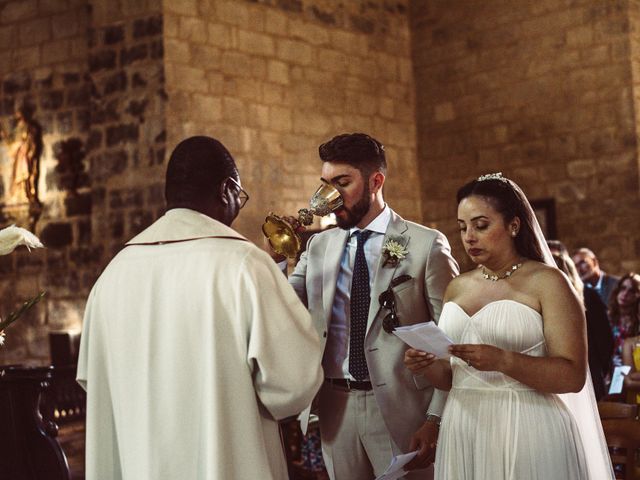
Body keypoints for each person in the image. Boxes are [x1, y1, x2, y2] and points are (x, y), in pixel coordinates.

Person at [76, 136, 324, 480]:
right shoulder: (244, 264)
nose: (238, 207)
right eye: (240, 196)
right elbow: (292, 385)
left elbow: (94, 378)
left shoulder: (114, 273)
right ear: (227, 188)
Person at [404, 173, 613, 479]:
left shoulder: (548, 283)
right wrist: (426, 365)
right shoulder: (457, 287)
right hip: (464, 425)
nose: (469, 237)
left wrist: (503, 360)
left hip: (528, 426)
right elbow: (452, 377)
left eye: (481, 225)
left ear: (513, 225)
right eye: (463, 227)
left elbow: (572, 376)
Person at [282, 133, 459, 480]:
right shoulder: (318, 246)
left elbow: (451, 340)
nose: (330, 196)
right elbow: (283, 306)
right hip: (335, 408)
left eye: (342, 183)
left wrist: (435, 419)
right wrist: (277, 260)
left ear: (375, 181)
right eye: (325, 184)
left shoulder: (425, 245)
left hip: (405, 409)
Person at [547, 240, 614, 400]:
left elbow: (605, 339)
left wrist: (601, 370)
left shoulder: (589, 296)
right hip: (566, 375)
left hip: (586, 371)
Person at [608, 273, 640, 369]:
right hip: (607, 370)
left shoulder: (638, 321)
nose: (625, 294)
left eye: (631, 291)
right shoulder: (606, 317)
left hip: (632, 370)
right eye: (623, 288)